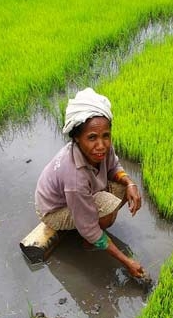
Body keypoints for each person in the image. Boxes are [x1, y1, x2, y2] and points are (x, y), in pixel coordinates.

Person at [35, 88, 145, 279]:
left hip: (78, 196)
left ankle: (89, 226)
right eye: (92, 137)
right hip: (54, 210)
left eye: (106, 135)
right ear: (77, 138)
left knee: (121, 189)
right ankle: (88, 243)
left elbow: (113, 167)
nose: (101, 145)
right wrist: (127, 262)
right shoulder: (74, 177)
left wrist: (130, 184)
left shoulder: (101, 149)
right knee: (106, 211)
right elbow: (89, 227)